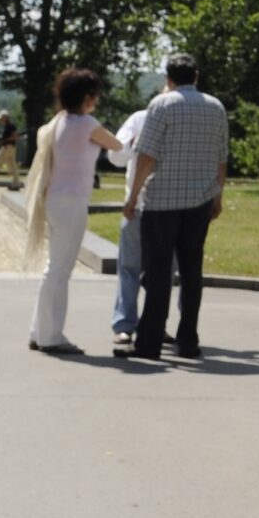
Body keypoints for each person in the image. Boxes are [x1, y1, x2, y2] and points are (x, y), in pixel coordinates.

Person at [122, 53, 228, 361]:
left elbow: (146, 156)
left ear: (169, 78)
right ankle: (188, 340)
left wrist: (133, 197)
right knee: (192, 271)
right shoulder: (216, 107)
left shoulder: (161, 105)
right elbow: (221, 158)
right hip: (200, 201)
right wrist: (218, 196)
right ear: (195, 76)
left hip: (162, 201)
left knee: (158, 272)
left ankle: (150, 342)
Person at [24, 66, 123, 355]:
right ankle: (51, 336)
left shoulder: (58, 122)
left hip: (55, 198)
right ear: (87, 96)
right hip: (72, 202)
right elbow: (117, 145)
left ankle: (39, 330)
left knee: (52, 269)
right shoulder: (87, 124)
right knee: (60, 271)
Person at [104, 105, 148, 356]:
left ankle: (153, 324)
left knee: (162, 273)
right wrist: (132, 142)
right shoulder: (139, 119)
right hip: (138, 206)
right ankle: (125, 325)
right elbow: (115, 157)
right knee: (129, 268)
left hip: (168, 208)